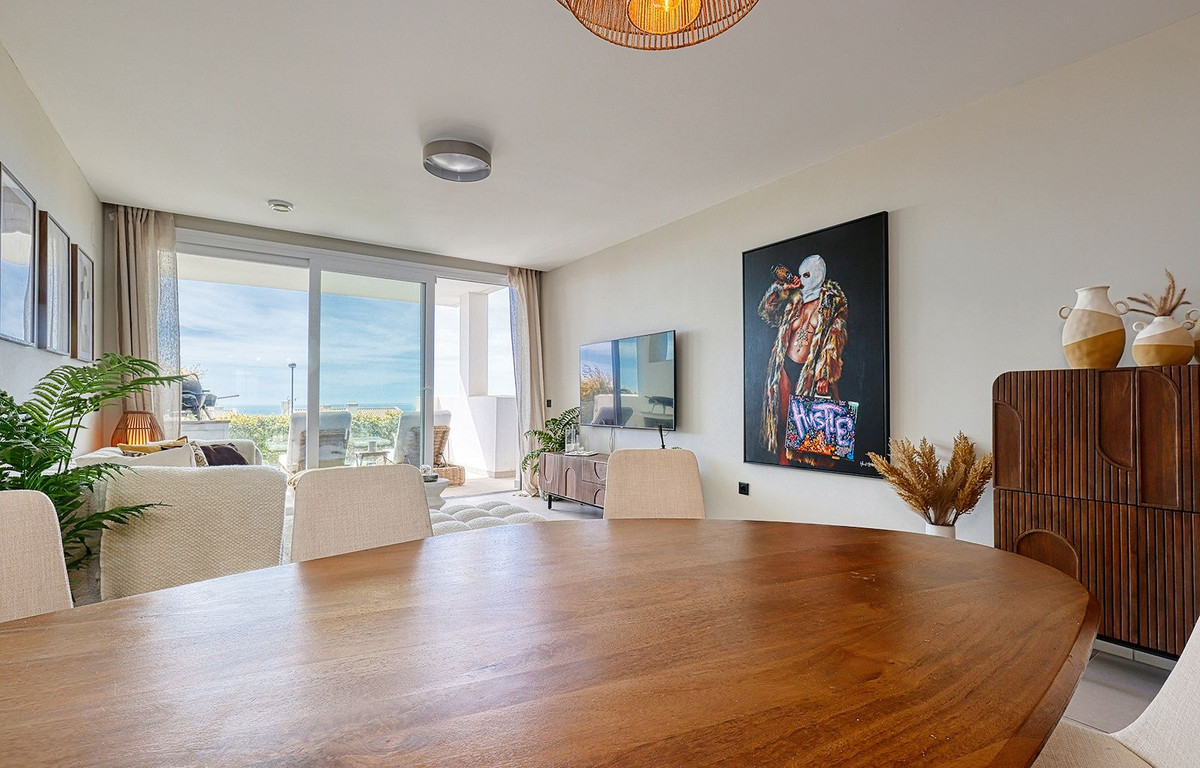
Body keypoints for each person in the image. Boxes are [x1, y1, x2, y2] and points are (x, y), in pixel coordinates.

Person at [756, 254, 848, 465]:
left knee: (811, 433)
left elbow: (835, 339)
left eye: (806, 275)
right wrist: (783, 289)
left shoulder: (833, 303)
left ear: (818, 274)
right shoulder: (795, 299)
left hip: (810, 372)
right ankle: (783, 470)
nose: (801, 279)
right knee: (782, 421)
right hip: (785, 365)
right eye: (800, 275)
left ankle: (809, 478)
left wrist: (825, 373)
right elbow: (766, 312)